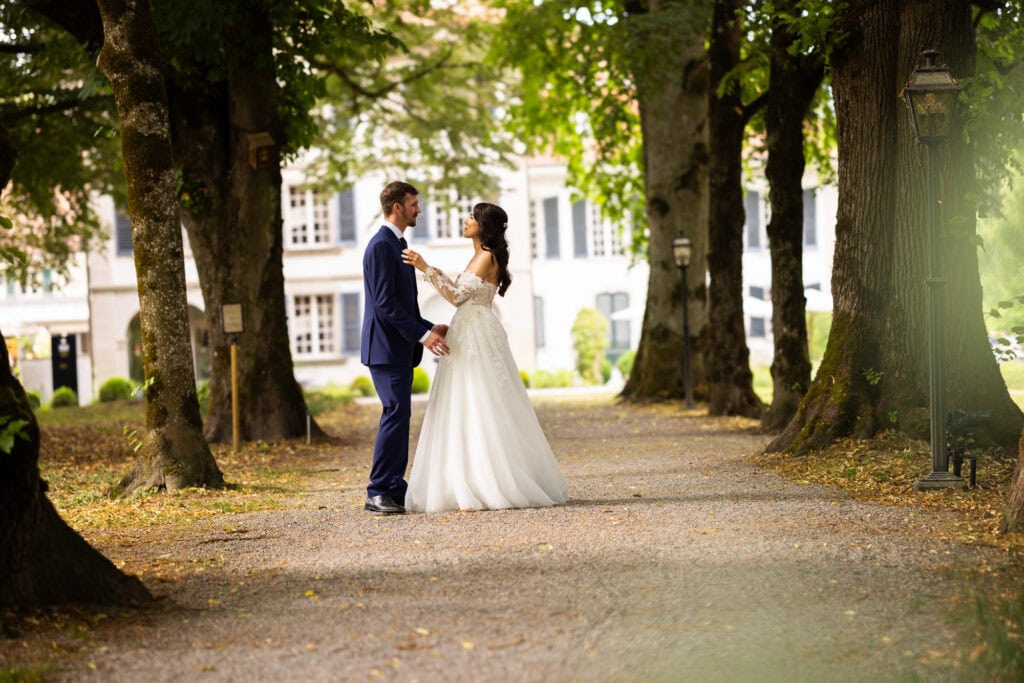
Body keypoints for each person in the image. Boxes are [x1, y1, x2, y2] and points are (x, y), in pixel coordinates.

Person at [400, 202, 569, 513]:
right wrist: (432, 271)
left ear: (483, 225)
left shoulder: (486, 256)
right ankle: (466, 477)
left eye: (472, 217)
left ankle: (491, 480)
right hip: (470, 329)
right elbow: (459, 292)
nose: (466, 221)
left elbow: (457, 297)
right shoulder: (478, 256)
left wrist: (425, 268)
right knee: (463, 400)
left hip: (476, 330)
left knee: (480, 398)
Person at [361, 181, 449, 514]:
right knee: (394, 413)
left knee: (400, 414)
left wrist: (428, 327)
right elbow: (385, 305)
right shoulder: (382, 245)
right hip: (383, 348)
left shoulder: (397, 243)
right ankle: (378, 490)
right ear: (397, 207)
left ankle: (394, 486)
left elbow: (402, 306)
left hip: (395, 347)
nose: (418, 209)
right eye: (413, 204)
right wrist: (423, 337)